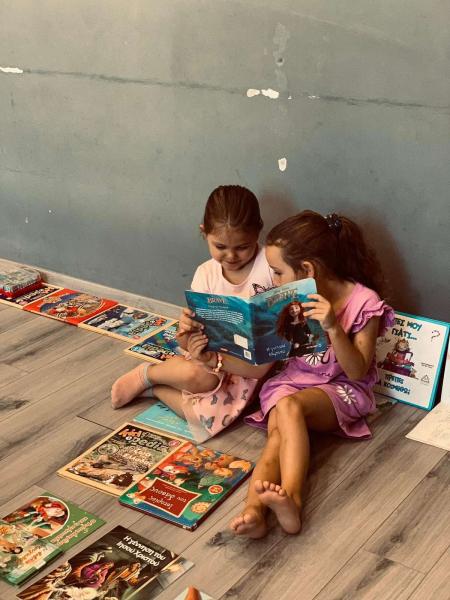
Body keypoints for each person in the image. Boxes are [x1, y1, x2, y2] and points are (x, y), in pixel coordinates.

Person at [230, 210, 394, 538]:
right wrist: (213, 357)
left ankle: (292, 498)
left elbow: (357, 370)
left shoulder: (364, 301)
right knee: (277, 435)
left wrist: (333, 326)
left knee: (289, 407)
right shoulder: (288, 301)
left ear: (307, 270)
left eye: (278, 272)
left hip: (343, 389)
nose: (274, 282)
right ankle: (254, 511)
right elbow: (264, 362)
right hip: (294, 380)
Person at [111, 185, 274, 441]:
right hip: (210, 357)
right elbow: (186, 341)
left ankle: (156, 390)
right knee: (198, 377)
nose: (231, 256)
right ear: (204, 232)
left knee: (209, 418)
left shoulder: (271, 266)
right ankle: (148, 374)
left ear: (258, 231)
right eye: (220, 246)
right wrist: (187, 333)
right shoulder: (206, 273)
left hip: (251, 366)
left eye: (242, 247)